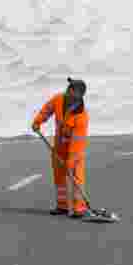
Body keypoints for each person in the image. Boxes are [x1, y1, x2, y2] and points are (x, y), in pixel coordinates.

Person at [32, 78, 91, 218]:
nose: (68, 92)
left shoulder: (81, 117)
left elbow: (77, 144)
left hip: (75, 150)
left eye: (71, 90)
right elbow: (47, 110)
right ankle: (62, 206)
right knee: (59, 176)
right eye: (68, 88)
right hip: (59, 146)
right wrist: (37, 122)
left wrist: (70, 162)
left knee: (75, 176)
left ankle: (79, 208)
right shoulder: (58, 99)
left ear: (79, 95)